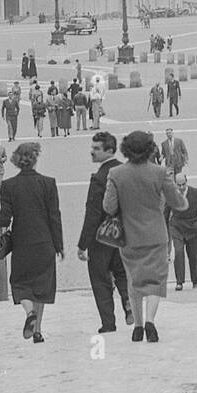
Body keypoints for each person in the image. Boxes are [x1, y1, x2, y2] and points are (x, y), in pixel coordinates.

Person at [103, 130, 188, 342]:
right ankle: (150, 321)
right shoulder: (159, 173)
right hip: (156, 235)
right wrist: (183, 201)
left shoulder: (116, 173)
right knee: (155, 281)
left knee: (134, 281)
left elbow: (108, 206)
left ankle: (138, 326)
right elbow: (177, 203)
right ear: (150, 149)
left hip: (129, 237)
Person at [0, 140, 64, 343]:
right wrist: (59, 245)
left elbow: (5, 218)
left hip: (22, 242)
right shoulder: (48, 183)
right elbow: (54, 216)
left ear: (16, 161)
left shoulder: (8, 186)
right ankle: (38, 331)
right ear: (35, 160)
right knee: (42, 287)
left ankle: (29, 315)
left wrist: (1, 234)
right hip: (44, 242)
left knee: (20, 283)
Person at [78, 131, 132, 333]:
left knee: (100, 280)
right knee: (122, 273)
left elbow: (92, 212)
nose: (92, 152)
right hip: (124, 234)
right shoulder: (125, 170)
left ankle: (108, 323)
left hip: (101, 237)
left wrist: (83, 243)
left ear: (108, 150)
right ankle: (128, 303)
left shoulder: (100, 177)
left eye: (96, 149)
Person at [167, 171, 197, 290]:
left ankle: (195, 281)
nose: (181, 187)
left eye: (183, 184)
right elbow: (165, 214)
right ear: (175, 184)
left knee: (194, 255)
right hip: (177, 226)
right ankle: (179, 281)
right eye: (179, 185)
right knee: (179, 252)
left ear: (186, 182)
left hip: (193, 226)